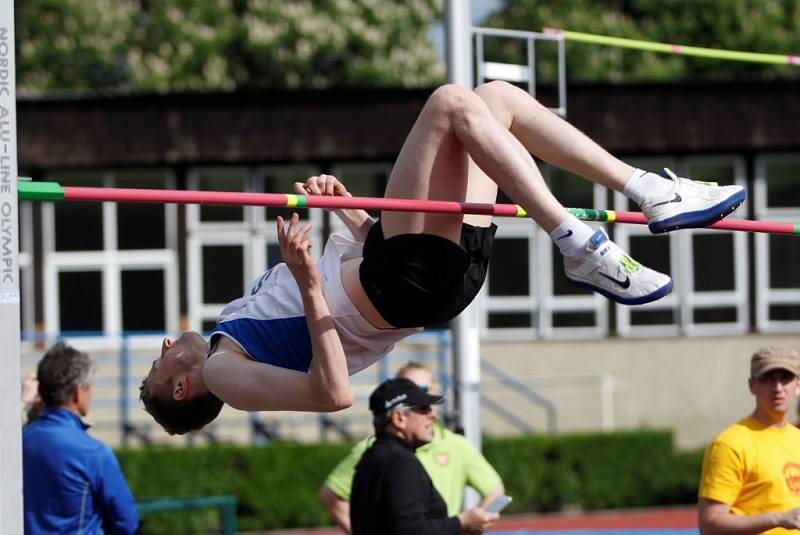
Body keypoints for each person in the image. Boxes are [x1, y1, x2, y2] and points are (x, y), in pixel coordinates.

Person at [140, 81, 746, 434]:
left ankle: (649, 190)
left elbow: (347, 282)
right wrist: (305, 282)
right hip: (402, 285)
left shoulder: (232, 325)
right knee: (451, 103)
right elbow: (331, 393)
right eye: (160, 369)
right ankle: (576, 241)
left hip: (415, 271)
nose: (166, 349)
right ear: (185, 388)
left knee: (494, 100)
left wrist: (348, 214)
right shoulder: (225, 373)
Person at [320, 362, 504, 533]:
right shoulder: (400, 461)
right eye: (423, 408)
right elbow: (411, 529)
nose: (431, 414)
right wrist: (461, 522)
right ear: (399, 418)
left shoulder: (372, 454)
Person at [23, 342, 139, 535]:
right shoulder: (93, 452)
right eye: (90, 386)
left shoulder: (21, 440)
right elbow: (127, 522)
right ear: (78, 392)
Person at [698, 346, 800, 534]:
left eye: (785, 378)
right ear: (752, 385)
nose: (777, 388)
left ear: (798, 385)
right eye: (768, 378)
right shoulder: (729, 444)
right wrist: (778, 519)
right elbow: (709, 524)